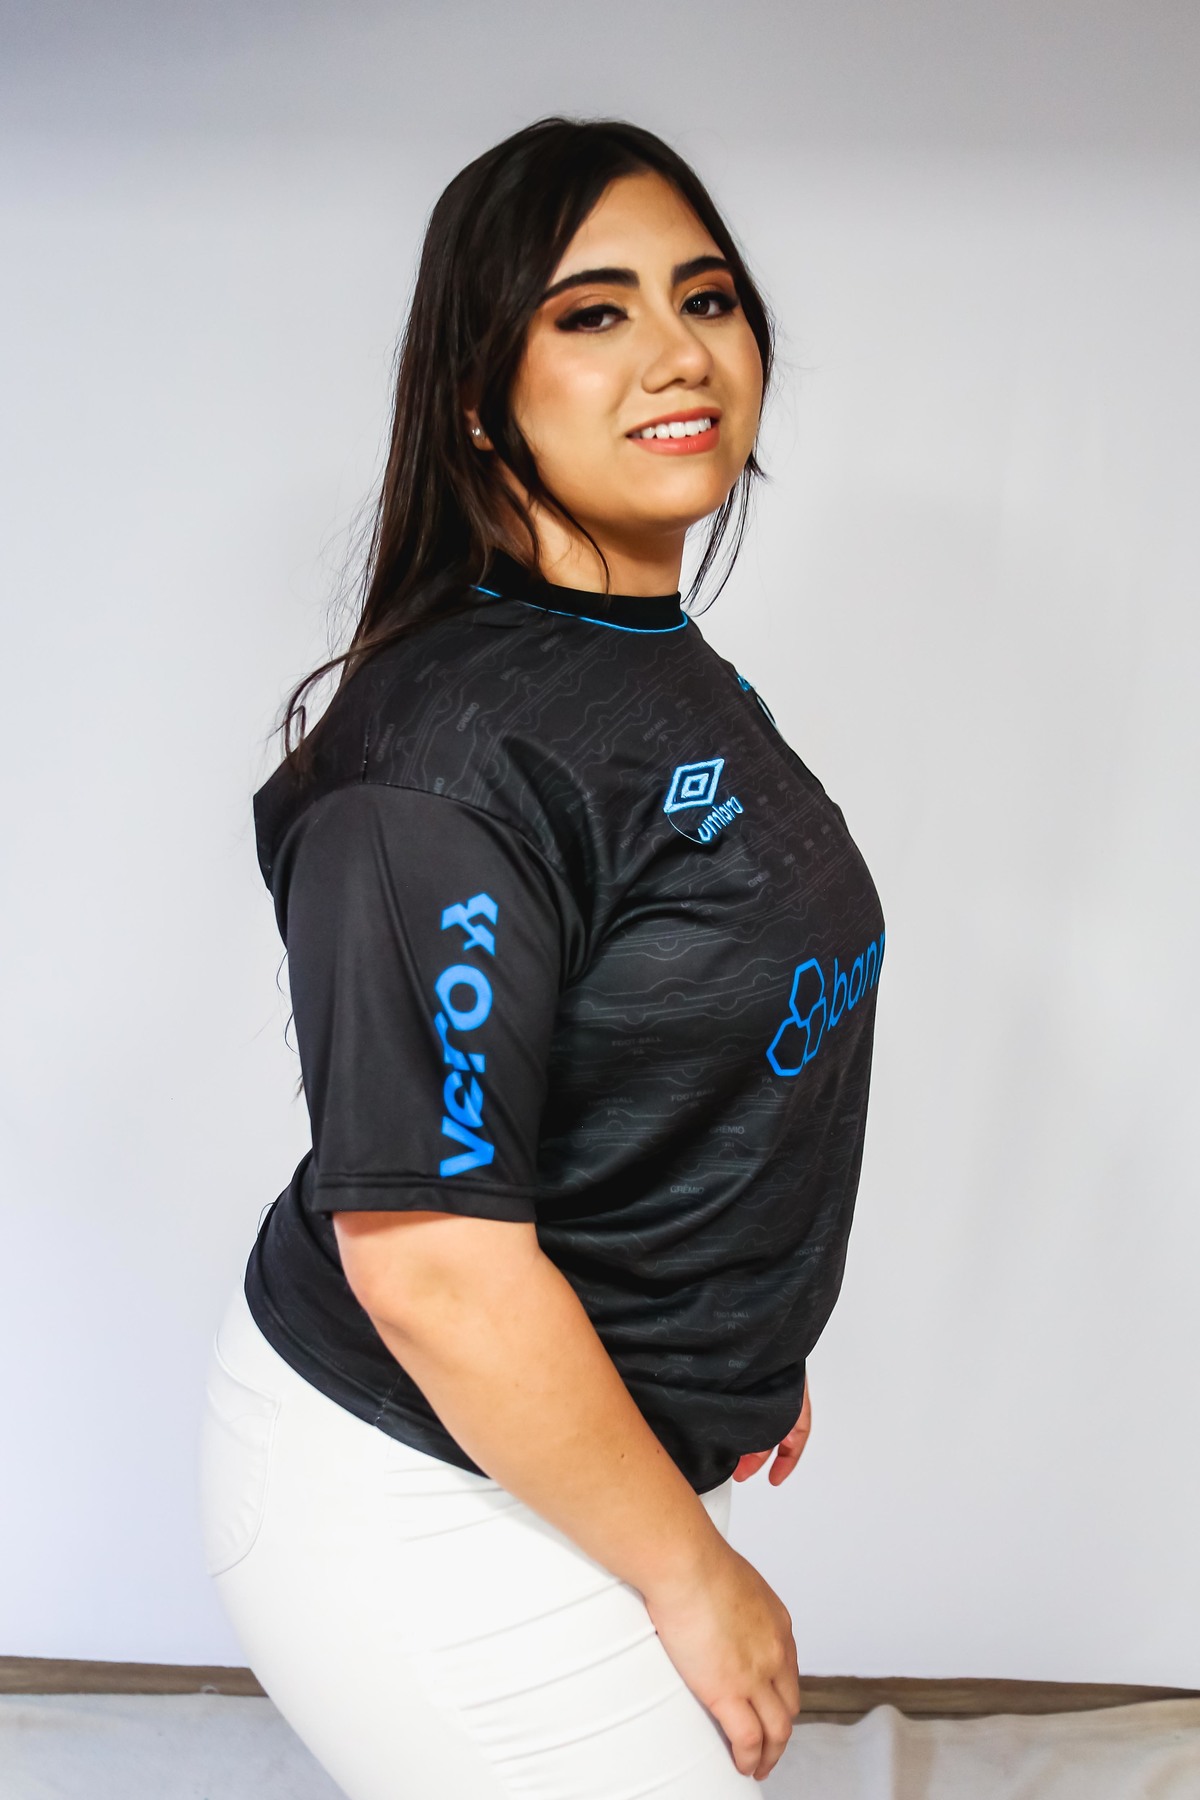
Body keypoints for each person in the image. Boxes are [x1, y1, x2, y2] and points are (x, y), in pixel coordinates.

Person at [198, 115, 885, 1797]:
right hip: (422, 1494)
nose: (679, 352)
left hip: (580, 1448)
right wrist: (693, 1572)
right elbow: (432, 1265)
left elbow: (679, 1026)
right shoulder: (435, 767)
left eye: (705, 297)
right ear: (475, 395)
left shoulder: (642, 655)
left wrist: (732, 1311)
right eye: (592, 313)